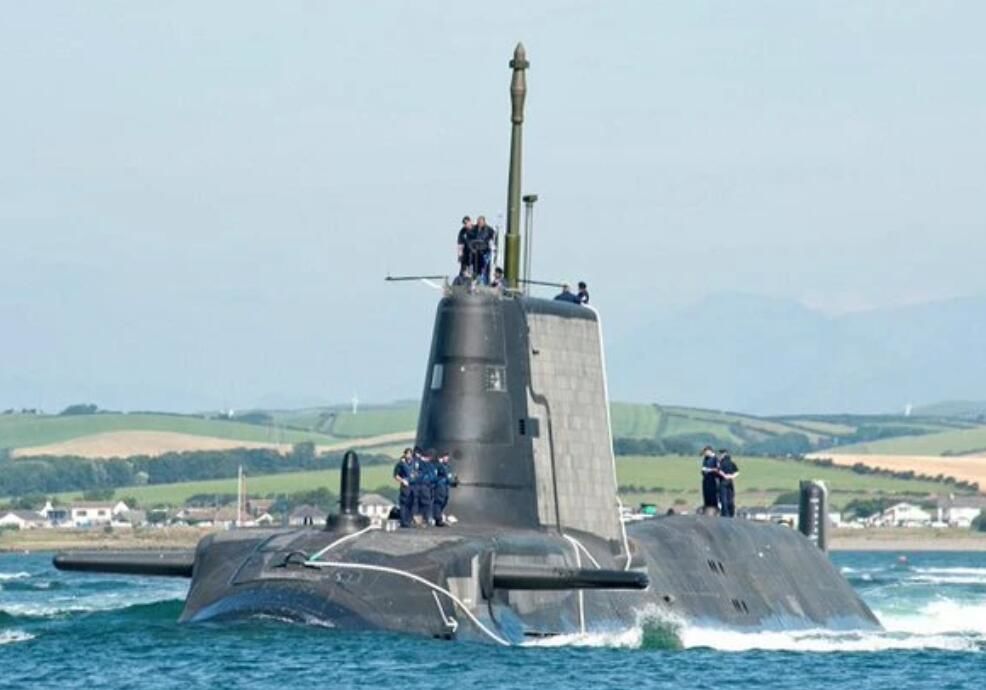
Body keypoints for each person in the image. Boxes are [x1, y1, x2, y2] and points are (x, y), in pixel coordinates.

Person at [414, 448, 438, 527]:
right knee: (419, 503)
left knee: (425, 503)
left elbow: (434, 477)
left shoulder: (430, 465)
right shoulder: (418, 463)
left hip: (426, 486)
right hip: (420, 486)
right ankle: (419, 520)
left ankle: (423, 519)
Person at [393, 448, 415, 528]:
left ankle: (409, 520)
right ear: (405, 454)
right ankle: (403, 522)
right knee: (404, 503)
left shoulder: (413, 463)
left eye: (410, 454)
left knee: (411, 503)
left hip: (413, 485)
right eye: (407, 454)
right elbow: (395, 475)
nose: (409, 455)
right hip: (405, 486)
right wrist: (402, 481)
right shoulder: (401, 464)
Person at [433, 451, 454, 526]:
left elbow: (449, 476)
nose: (447, 458)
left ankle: (439, 515)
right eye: (445, 456)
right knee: (439, 501)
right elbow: (435, 475)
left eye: (447, 456)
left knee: (444, 501)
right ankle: (438, 519)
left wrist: (453, 482)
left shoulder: (448, 466)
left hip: (446, 486)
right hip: (440, 485)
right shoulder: (438, 466)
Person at [717, 449, 740, 518]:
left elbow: (719, 470)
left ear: (722, 454)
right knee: (730, 498)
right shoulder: (731, 462)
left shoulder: (721, 462)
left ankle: (725, 514)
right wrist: (731, 476)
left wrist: (725, 476)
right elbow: (737, 472)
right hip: (730, 481)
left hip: (723, 481)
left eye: (720, 454)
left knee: (723, 498)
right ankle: (731, 513)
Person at [474, 216, 495, 284]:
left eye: (480, 222)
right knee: (477, 268)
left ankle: (485, 282)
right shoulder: (475, 229)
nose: (479, 224)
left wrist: (492, 246)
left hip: (486, 252)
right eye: (478, 222)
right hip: (477, 252)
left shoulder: (489, 230)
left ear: (484, 222)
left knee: (485, 268)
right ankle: (478, 281)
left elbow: (494, 238)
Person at [700, 446, 720, 514]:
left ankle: (714, 509)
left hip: (713, 480)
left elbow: (718, 469)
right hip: (706, 479)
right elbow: (703, 468)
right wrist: (704, 470)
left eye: (705, 452)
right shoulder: (706, 459)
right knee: (706, 495)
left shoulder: (715, 459)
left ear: (709, 451)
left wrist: (709, 470)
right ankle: (707, 507)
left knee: (713, 495)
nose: (705, 454)